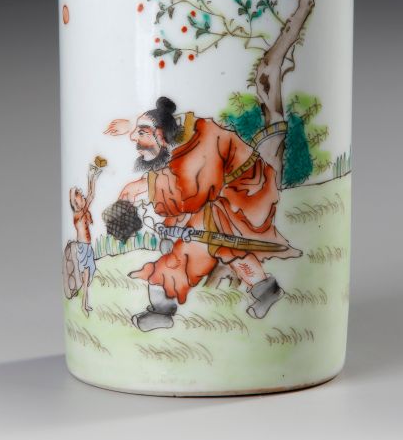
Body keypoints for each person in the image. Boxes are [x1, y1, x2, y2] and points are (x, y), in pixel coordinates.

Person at [105, 97, 301, 331]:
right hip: (219, 196)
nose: (134, 141)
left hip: (246, 195)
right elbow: (181, 184)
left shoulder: (200, 141)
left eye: (141, 134)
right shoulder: (177, 141)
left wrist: (145, 186)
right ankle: (266, 290)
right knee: (217, 241)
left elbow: (190, 194)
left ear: (159, 134)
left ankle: (162, 310)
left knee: (205, 243)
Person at [69, 164, 101, 317]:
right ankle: (83, 305)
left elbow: (91, 195)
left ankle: (85, 303)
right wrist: (90, 176)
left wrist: (93, 177)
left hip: (87, 247)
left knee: (89, 274)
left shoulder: (83, 211)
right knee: (86, 276)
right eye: (79, 197)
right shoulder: (78, 214)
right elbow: (90, 196)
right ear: (75, 203)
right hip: (82, 247)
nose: (83, 197)